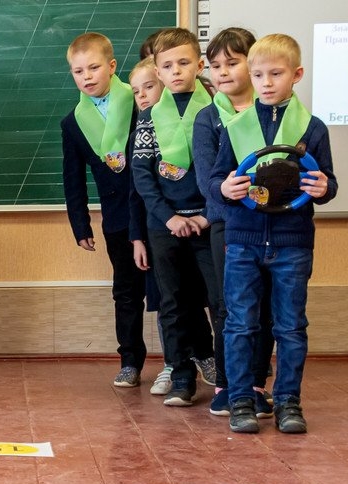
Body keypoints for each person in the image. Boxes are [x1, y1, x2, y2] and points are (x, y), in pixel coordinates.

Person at [211, 33, 336, 434]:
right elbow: (217, 178)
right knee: (240, 324)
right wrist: (224, 188)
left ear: (296, 75)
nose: (266, 83)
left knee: (290, 326)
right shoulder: (235, 127)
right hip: (243, 241)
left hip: (291, 242)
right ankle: (240, 400)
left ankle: (287, 402)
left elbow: (327, 182)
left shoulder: (312, 128)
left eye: (276, 74)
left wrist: (324, 188)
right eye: (259, 75)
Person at [131, 26, 219, 407]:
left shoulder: (217, 110)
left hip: (208, 223)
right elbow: (142, 175)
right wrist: (168, 218)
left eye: (184, 63)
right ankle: (182, 377)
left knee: (219, 301)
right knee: (173, 303)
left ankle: (227, 381)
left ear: (200, 66)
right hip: (164, 225)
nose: (176, 71)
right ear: (158, 71)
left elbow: (225, 168)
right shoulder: (149, 117)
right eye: (167, 66)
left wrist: (206, 216)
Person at [192, 27, 274, 418]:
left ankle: (255, 385)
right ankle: (227, 385)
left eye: (232, 63)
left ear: (252, 64)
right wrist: (228, 191)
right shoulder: (208, 118)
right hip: (228, 225)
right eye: (215, 65)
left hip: (273, 226)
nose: (222, 72)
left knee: (265, 307)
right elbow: (208, 180)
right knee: (229, 307)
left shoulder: (276, 112)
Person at [61, 32, 144, 388]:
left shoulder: (142, 100)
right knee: (126, 292)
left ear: (111, 66)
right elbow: (73, 178)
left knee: (174, 291)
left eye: (94, 68)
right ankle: (130, 361)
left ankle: (183, 360)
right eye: (78, 71)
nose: (87, 77)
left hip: (156, 212)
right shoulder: (73, 122)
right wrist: (81, 225)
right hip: (117, 217)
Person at [127, 56, 172, 396]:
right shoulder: (137, 135)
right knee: (166, 300)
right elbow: (136, 192)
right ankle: (173, 363)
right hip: (155, 228)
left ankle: (207, 358)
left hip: (196, 223)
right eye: (135, 91)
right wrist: (137, 238)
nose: (142, 96)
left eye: (149, 87)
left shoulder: (195, 122)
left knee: (202, 299)